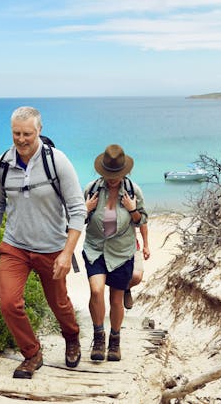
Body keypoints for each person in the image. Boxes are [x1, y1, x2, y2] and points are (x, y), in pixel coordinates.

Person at [0, 106, 87, 379]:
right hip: (15, 246)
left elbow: (78, 210)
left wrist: (67, 253)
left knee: (59, 304)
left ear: (39, 131)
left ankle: (72, 337)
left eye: (27, 134)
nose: (21, 139)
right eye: (16, 133)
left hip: (52, 248)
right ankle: (32, 354)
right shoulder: (2, 165)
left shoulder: (57, 161)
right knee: (9, 303)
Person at [82, 144, 148, 362]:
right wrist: (86, 209)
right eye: (108, 174)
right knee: (96, 290)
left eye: (116, 175)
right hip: (95, 248)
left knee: (116, 300)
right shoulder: (92, 189)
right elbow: (78, 219)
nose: (112, 179)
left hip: (121, 251)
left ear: (124, 172)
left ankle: (115, 340)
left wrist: (132, 209)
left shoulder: (133, 191)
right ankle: (98, 336)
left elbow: (142, 220)